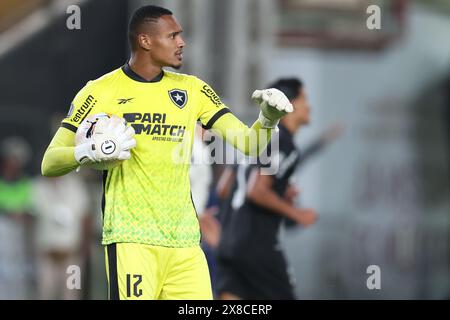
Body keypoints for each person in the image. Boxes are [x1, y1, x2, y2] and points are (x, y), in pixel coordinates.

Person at [41, 5, 293, 300]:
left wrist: (267, 119)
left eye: (181, 36)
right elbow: (50, 161)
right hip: (131, 241)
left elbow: (249, 145)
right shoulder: (99, 91)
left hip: (185, 246)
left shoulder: (193, 90)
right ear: (146, 41)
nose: (181, 42)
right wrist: (88, 151)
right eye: (172, 36)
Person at [216, 78, 318, 300]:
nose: (309, 106)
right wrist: (297, 214)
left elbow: (224, 188)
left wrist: (278, 193)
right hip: (257, 246)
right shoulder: (283, 142)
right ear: (290, 104)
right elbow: (257, 189)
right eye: (304, 99)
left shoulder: (259, 137)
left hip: (229, 244)